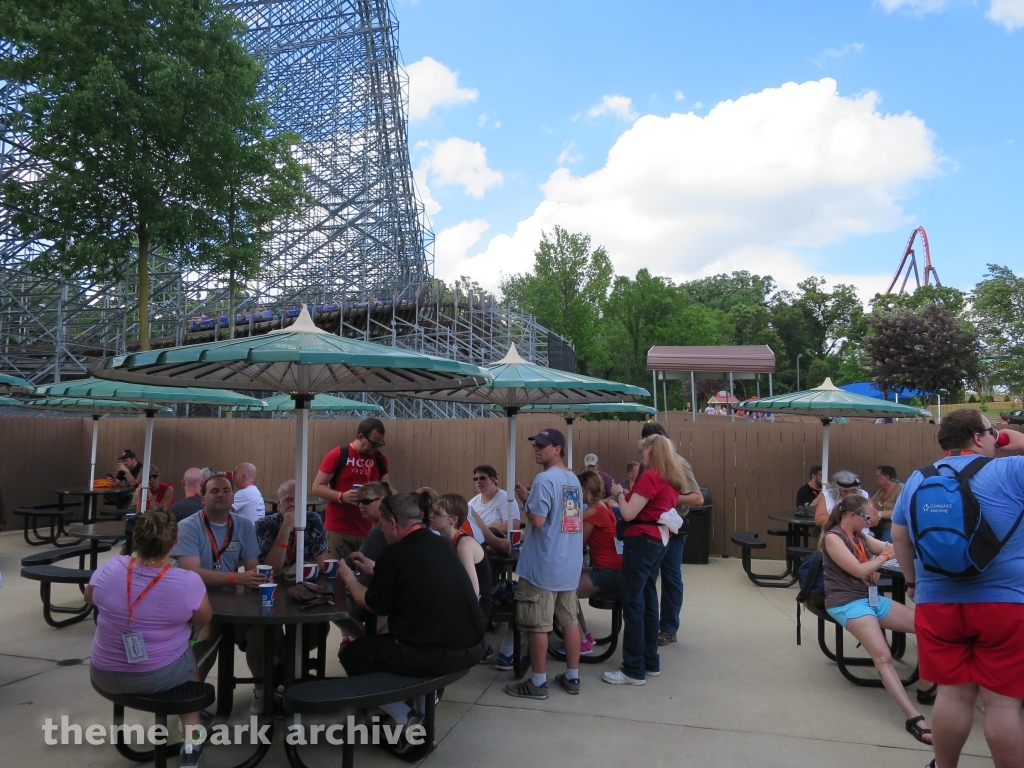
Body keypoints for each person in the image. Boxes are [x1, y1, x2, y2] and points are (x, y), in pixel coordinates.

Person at [892, 410, 1024, 768]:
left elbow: (899, 536)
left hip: (938, 604)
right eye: (992, 432)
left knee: (952, 694)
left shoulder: (918, 480)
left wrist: (913, 582)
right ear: (980, 437)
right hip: (1005, 605)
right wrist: (1020, 442)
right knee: (1002, 703)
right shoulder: (1012, 471)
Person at [85, 510, 212, 768]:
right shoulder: (188, 581)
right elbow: (203, 619)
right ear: (175, 542)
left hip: (103, 673)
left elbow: (89, 597)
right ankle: (192, 742)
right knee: (192, 662)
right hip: (156, 675)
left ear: (134, 538)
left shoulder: (110, 568)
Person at [335, 492, 485, 681]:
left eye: (383, 525)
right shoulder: (441, 543)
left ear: (392, 523)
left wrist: (349, 578)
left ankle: (398, 708)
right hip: (474, 647)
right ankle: (411, 701)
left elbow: (373, 603)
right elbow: (417, 576)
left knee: (354, 653)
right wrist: (376, 568)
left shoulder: (394, 553)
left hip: (439, 654)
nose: (381, 531)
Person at [821, 495, 932, 745]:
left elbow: (887, 546)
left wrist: (888, 549)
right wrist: (882, 557)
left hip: (869, 598)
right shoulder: (833, 538)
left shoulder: (860, 536)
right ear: (852, 516)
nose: (871, 522)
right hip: (847, 603)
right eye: (868, 518)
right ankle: (913, 716)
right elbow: (860, 570)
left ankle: (927, 683)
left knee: (926, 626)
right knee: (883, 656)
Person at [505, 428, 584, 699]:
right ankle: (572, 677)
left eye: (542, 445)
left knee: (538, 624)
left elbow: (537, 521)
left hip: (543, 566)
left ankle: (538, 683)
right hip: (568, 565)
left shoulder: (544, 479)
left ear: (557, 449)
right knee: (570, 620)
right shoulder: (572, 479)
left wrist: (526, 499)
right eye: (535, 444)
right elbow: (567, 520)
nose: (536, 448)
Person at [171, 474, 266, 683]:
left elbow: (253, 568)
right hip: (194, 602)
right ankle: (192, 697)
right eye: (214, 491)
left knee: (262, 631)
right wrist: (237, 578)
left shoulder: (244, 526)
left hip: (232, 603)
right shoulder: (187, 527)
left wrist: (257, 576)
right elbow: (192, 573)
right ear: (203, 499)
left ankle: (262, 693)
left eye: (226, 490)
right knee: (209, 627)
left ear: (233, 497)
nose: (221, 495)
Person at [607, 434, 685, 685]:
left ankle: (632, 668)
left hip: (640, 541)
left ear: (653, 450)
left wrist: (619, 494)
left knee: (633, 603)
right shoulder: (672, 480)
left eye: (643, 451)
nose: (640, 455)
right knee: (649, 600)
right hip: (659, 541)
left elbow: (629, 513)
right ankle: (651, 662)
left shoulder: (650, 476)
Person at [638, 421, 703, 646]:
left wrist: (669, 498)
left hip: (673, 530)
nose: (644, 450)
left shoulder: (678, 463)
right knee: (648, 578)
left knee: (671, 577)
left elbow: (698, 498)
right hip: (652, 528)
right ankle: (649, 624)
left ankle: (668, 628)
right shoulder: (648, 465)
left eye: (648, 445)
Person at [311, 417, 390, 557]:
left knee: (366, 574)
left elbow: (387, 491)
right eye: (373, 444)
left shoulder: (380, 459)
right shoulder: (339, 454)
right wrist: (341, 496)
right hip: (339, 529)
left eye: (380, 444)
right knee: (337, 573)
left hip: (369, 529)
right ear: (361, 436)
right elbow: (317, 487)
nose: (376, 448)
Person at [563, 470, 618, 656]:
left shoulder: (592, 511)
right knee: (569, 584)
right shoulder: (604, 507)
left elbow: (576, 545)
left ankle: (581, 644)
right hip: (614, 570)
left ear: (584, 489)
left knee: (564, 591)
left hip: (609, 573)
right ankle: (585, 635)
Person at [429, 494, 493, 618]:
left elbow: (473, 592)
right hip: (461, 603)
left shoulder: (464, 545)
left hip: (477, 609)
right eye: (431, 511)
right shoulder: (443, 540)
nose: (431, 515)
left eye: (437, 513)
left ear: (453, 520)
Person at [467, 464, 515, 541]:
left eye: (482, 478)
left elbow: (513, 524)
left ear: (493, 480)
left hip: (498, 542)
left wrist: (482, 529)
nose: (478, 481)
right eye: (475, 479)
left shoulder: (506, 498)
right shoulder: (472, 503)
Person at [356, 481, 394, 562]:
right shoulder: (381, 527)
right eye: (358, 502)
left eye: (365, 501)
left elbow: (364, 568)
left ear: (380, 502)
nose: (360, 506)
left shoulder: (378, 532)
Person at [870, 465, 903, 542]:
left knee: (885, 541)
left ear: (887, 477)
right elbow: (870, 504)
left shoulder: (901, 490)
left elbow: (900, 511)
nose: (875, 478)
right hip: (876, 525)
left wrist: (879, 514)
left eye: (877, 476)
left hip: (892, 527)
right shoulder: (881, 491)